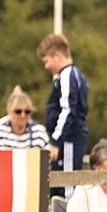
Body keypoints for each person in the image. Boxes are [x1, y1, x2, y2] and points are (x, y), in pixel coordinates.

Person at [37, 33, 89, 197]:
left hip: (69, 138)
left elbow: (67, 110)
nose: (46, 66)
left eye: (47, 61)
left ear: (58, 56)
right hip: (67, 138)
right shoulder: (71, 75)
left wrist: (56, 141)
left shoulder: (67, 75)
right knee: (58, 183)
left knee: (67, 186)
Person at [0, 86, 50, 150]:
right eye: (18, 111)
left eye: (27, 111)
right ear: (9, 111)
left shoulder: (39, 132)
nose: (23, 115)